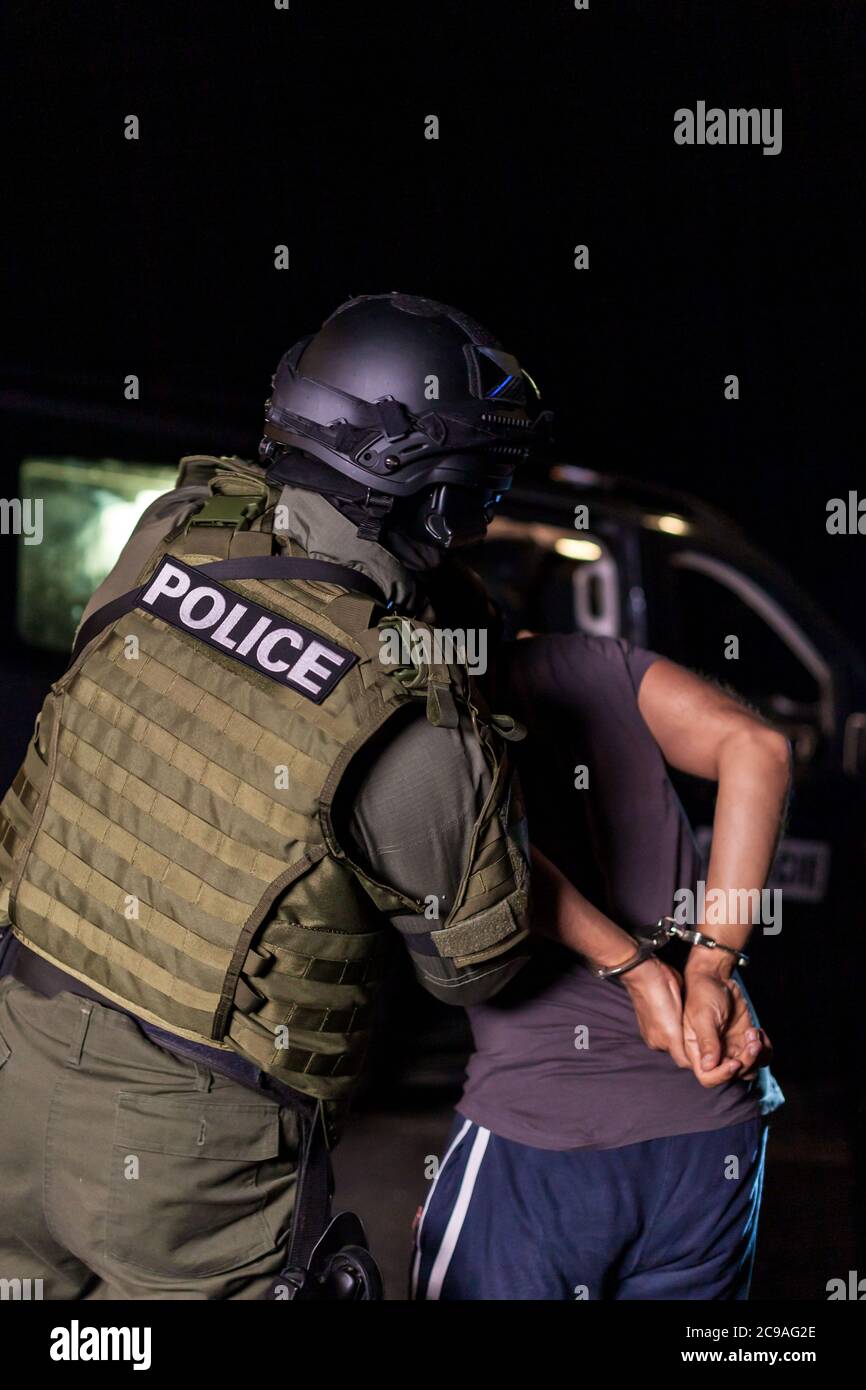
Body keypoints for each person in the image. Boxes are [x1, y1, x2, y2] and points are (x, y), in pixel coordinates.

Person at [0, 292, 549, 1299]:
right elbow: (477, 967)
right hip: (190, 1159)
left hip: (13, 1051)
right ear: (429, 500)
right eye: (478, 491)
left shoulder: (165, 534)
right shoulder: (408, 713)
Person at [412, 631, 789, 1301]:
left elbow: (489, 856)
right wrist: (712, 962)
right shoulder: (584, 660)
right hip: (710, 1129)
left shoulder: (417, 698)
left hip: (545, 1132)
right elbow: (758, 748)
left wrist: (637, 970)